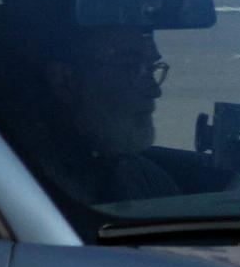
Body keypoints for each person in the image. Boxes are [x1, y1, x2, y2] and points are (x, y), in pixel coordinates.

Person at [33, 26, 179, 205]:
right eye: (130, 67)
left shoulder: (144, 176)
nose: (155, 91)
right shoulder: (25, 185)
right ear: (66, 80)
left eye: (151, 69)